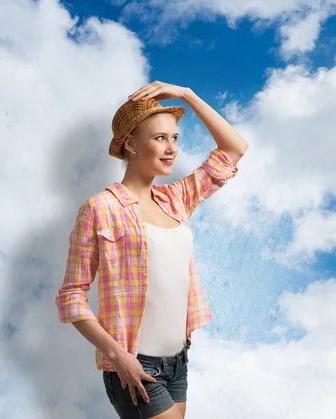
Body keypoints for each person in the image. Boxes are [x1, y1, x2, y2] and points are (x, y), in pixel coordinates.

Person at [55, 81, 248, 419]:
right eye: (160, 138)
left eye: (175, 138)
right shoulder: (100, 208)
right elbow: (72, 295)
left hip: (177, 360)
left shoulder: (176, 199)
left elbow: (235, 149)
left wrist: (187, 94)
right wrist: (119, 358)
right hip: (135, 364)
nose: (171, 148)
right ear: (130, 144)